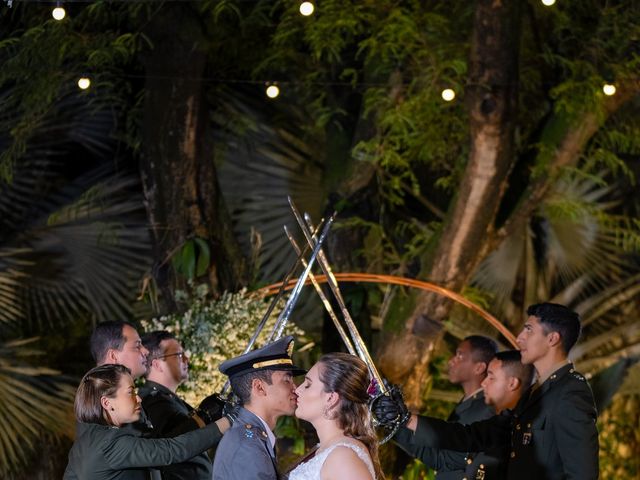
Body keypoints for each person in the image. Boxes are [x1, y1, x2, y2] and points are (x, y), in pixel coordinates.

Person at [374, 303, 599, 480]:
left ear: (552, 338)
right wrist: (405, 418)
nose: (520, 337)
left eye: (529, 330)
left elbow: (582, 474)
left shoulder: (570, 393)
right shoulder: (534, 394)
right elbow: (473, 436)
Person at [63, 364, 231, 480]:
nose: (138, 398)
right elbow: (173, 451)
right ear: (107, 403)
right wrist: (229, 421)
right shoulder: (111, 444)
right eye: (130, 392)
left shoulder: (84, 443)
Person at [395, 350, 534, 479]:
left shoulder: (512, 427)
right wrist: (394, 424)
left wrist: (406, 418)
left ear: (512, 383)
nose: (484, 383)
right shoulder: (500, 424)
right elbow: (444, 458)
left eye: (491, 377)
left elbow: (460, 436)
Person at [395, 335, 497, 480]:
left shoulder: (484, 411)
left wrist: (399, 422)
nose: (451, 361)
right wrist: (395, 426)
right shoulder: (469, 403)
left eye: (460, 355)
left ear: (479, 367)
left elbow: (442, 459)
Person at [212, 335, 306, 480]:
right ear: (259, 387)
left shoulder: (251, 436)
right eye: (287, 380)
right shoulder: (247, 444)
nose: (296, 388)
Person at [140, 331, 223, 480]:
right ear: (157, 364)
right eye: (178, 355)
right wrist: (204, 416)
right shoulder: (154, 402)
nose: (186, 359)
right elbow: (169, 447)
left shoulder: (166, 398)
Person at [289, 352, 384, 480]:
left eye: (307, 385)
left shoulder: (342, 457)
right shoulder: (327, 449)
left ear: (331, 398)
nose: (297, 390)